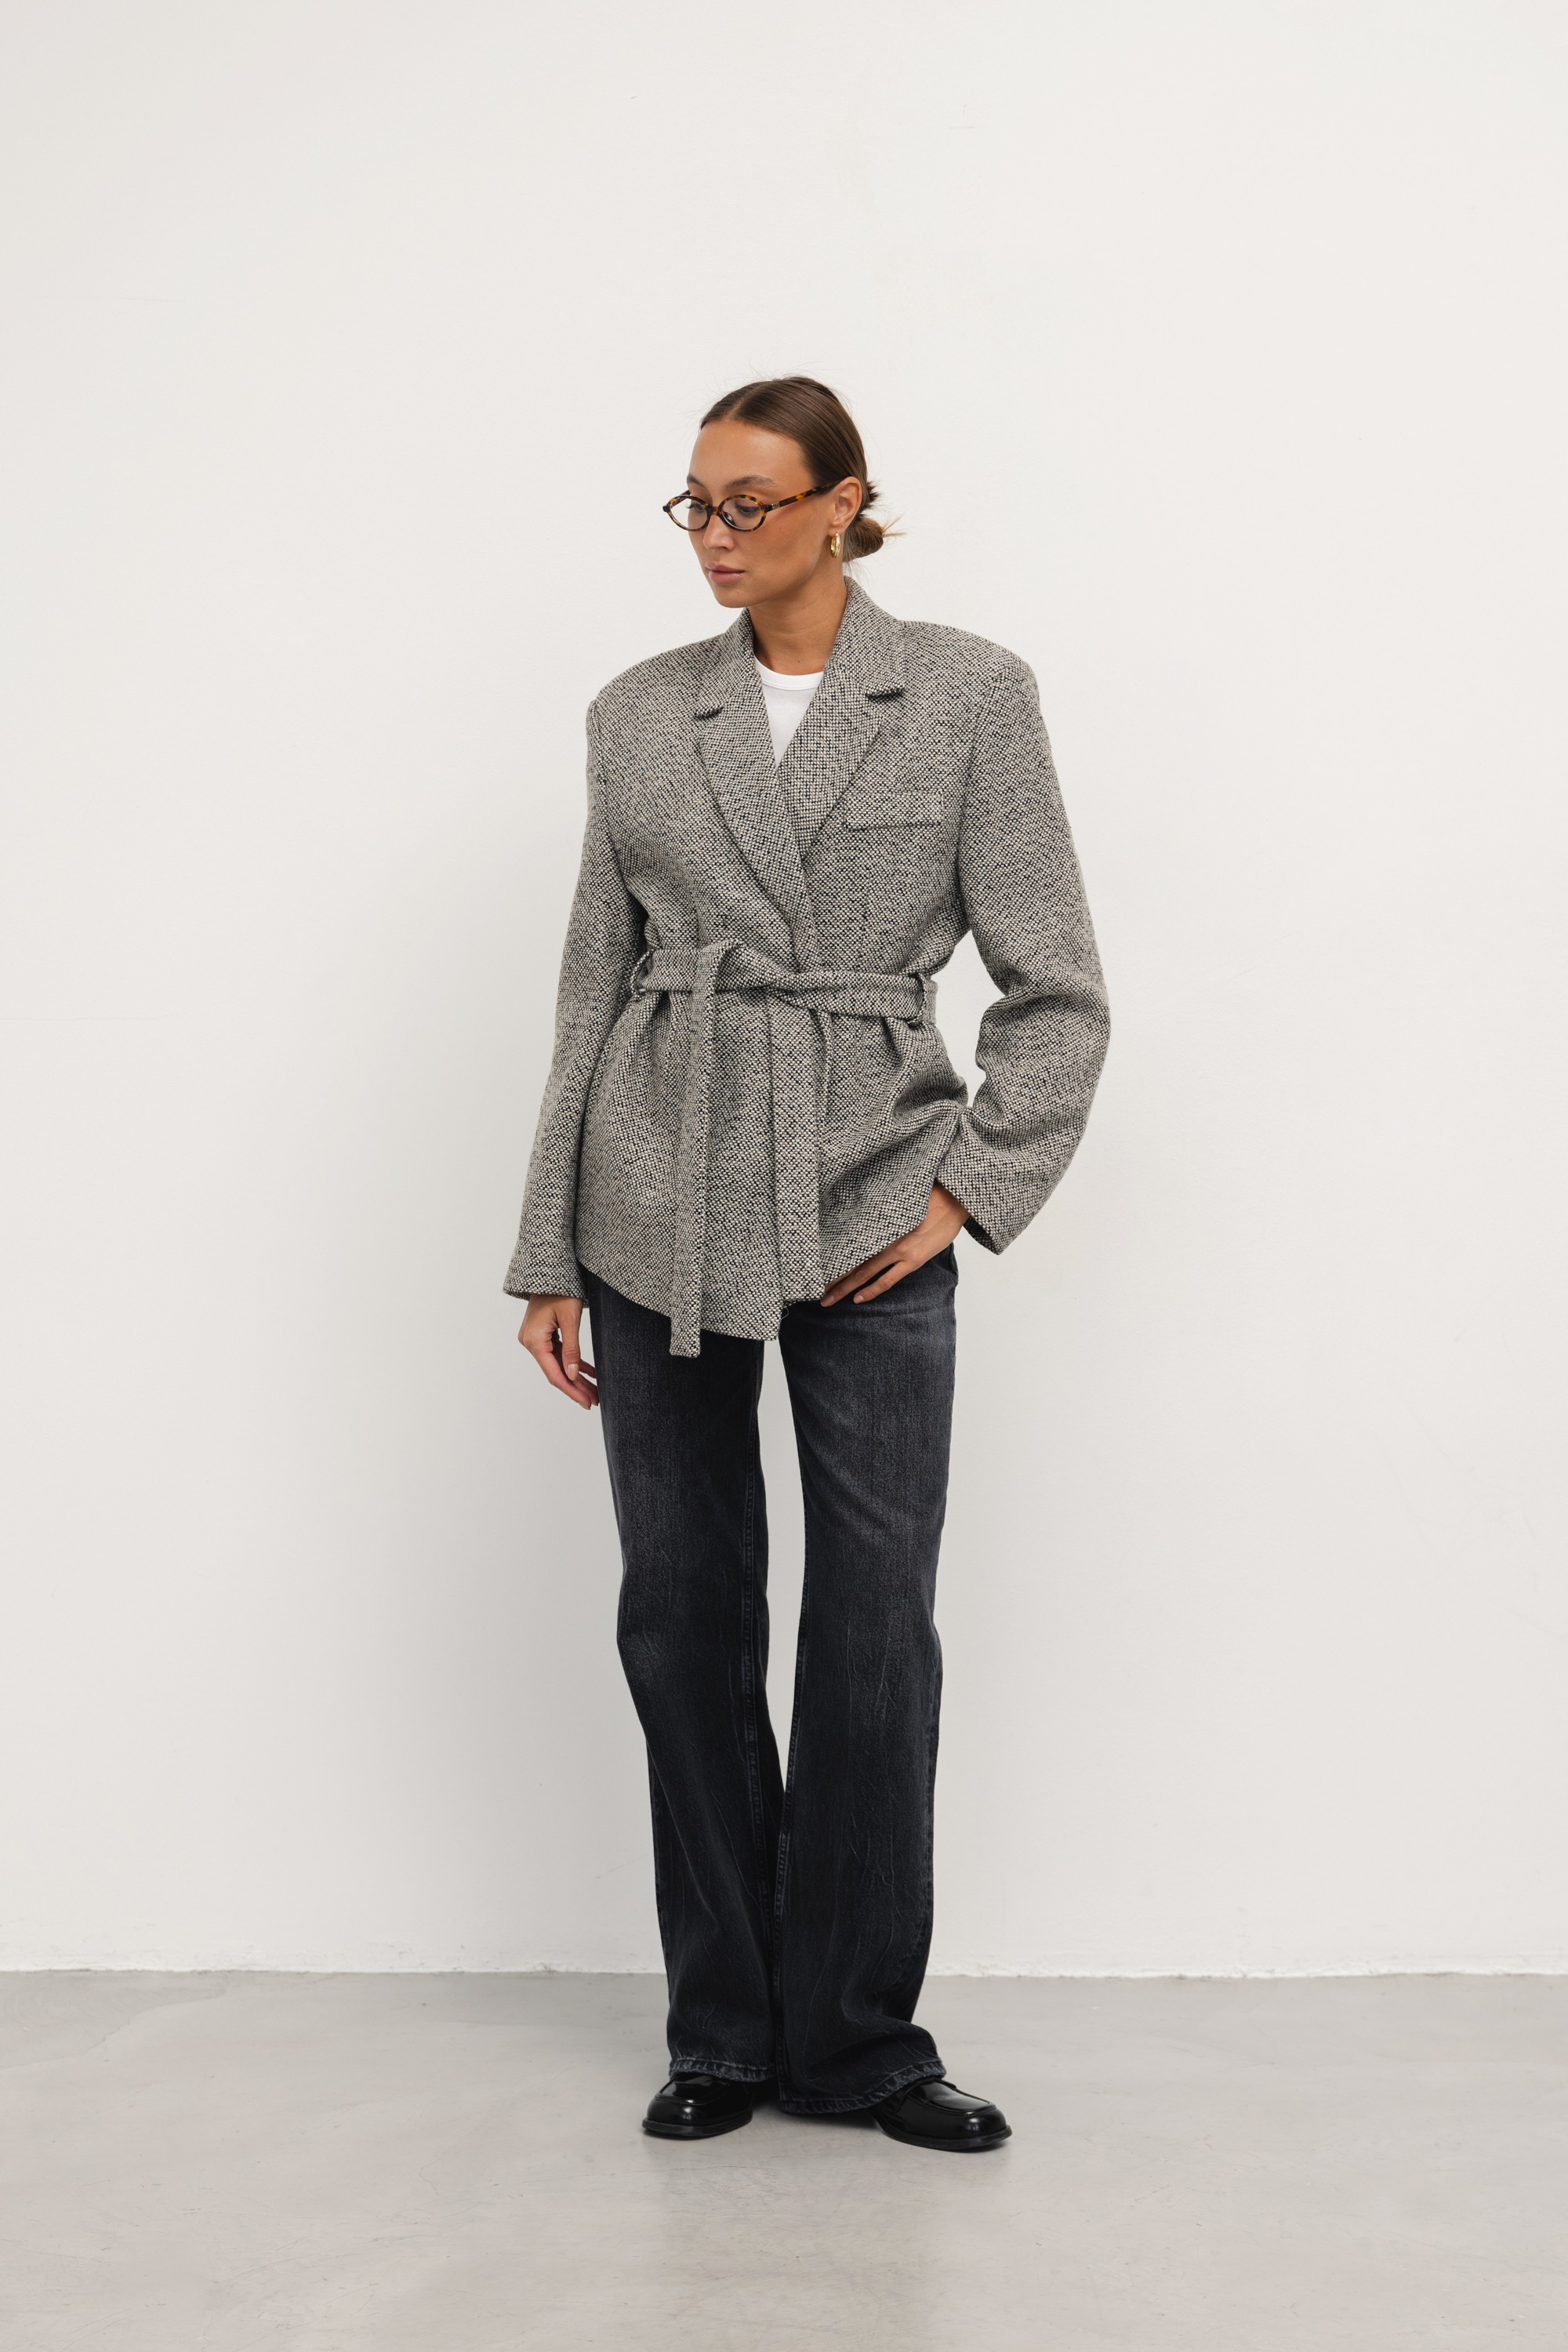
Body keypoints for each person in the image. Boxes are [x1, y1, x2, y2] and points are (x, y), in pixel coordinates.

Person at [508, 376, 1109, 2151]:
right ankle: (722, 2028)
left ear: (845, 503)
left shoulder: (968, 693)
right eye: (694, 504)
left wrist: (966, 1191)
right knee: (683, 1610)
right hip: (656, 1182)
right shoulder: (640, 711)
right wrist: (548, 1244)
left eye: (751, 503)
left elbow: (1057, 984)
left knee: (872, 1626)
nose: (715, 535)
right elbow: (591, 982)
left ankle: (856, 2040)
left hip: (870, 1189)